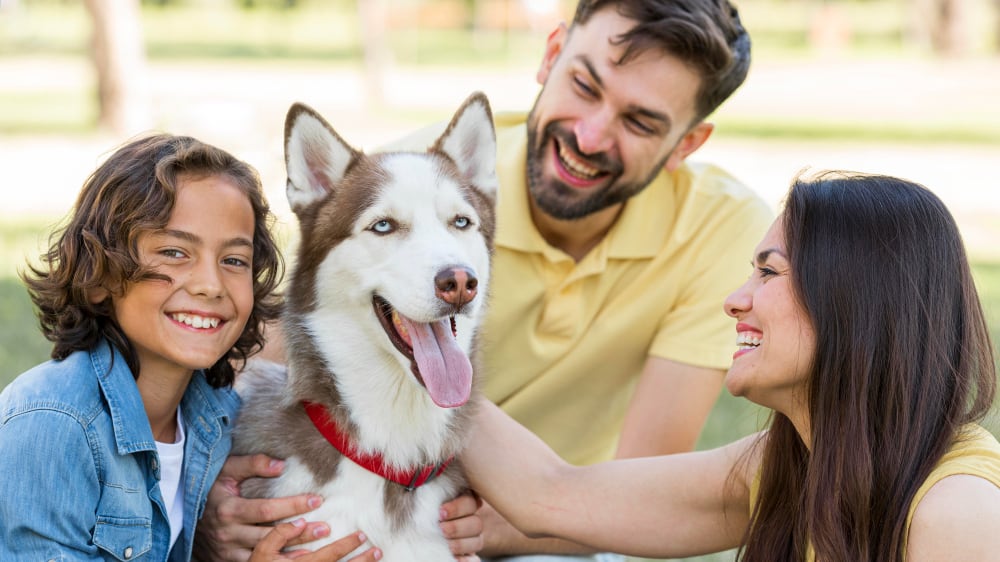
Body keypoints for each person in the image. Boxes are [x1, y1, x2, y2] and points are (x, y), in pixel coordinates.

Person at [195, 0, 773, 559]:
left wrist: (499, 524)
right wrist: (209, 493)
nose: (590, 136)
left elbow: (640, 493)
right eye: (584, 85)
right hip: (378, 486)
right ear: (551, 54)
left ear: (686, 143)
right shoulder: (409, 181)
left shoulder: (720, 228)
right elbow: (270, 349)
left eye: (640, 122)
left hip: (563, 528)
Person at [459, 171, 1000, 561]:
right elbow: (551, 495)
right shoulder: (794, 463)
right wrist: (424, 357)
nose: (734, 301)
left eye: (769, 273)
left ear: (855, 300)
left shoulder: (956, 512)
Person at [0, 134, 381, 561]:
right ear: (100, 276)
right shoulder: (52, 427)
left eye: (233, 260)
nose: (210, 285)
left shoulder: (219, 417)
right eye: (175, 252)